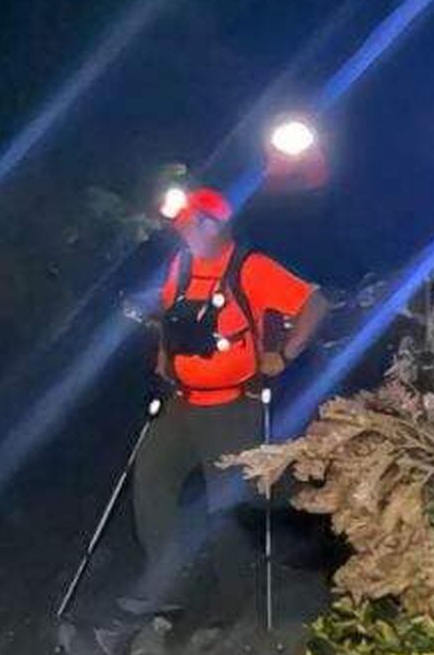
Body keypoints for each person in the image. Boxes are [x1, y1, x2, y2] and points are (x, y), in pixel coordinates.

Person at [119, 184, 326, 631]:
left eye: (192, 223)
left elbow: (314, 303)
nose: (185, 232)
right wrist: (164, 358)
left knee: (228, 505)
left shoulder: (250, 268)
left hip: (233, 406)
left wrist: (285, 354)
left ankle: (237, 602)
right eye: (183, 225)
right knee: (151, 478)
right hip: (184, 401)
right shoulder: (182, 265)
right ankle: (167, 587)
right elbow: (173, 319)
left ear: (215, 223)